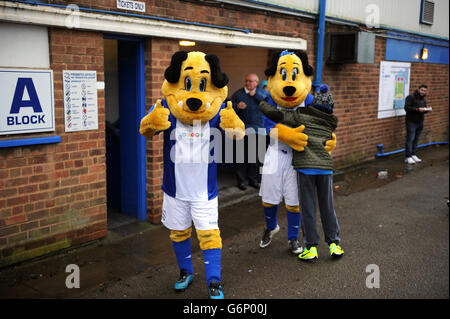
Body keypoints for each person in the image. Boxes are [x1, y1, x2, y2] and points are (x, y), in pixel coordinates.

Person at [258, 84, 344, 260]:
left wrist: (262, 102)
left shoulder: (302, 116)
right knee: (327, 206)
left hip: (304, 166)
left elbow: (278, 115)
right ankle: (334, 244)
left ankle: (308, 245)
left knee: (306, 206)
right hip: (324, 168)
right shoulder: (331, 121)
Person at [231, 73, 267, 190]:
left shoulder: (262, 93)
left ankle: (253, 180)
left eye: (251, 81)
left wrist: (255, 95)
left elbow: (267, 106)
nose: (248, 83)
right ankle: (241, 181)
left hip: (257, 129)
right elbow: (229, 106)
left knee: (254, 157)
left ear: (257, 82)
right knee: (240, 157)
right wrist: (237, 106)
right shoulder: (238, 93)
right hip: (242, 129)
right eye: (247, 81)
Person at [404, 84, 430, 164]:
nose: (423, 92)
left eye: (425, 90)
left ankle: (413, 154)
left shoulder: (423, 99)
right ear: (418, 89)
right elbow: (406, 108)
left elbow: (423, 109)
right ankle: (408, 157)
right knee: (410, 139)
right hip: (411, 121)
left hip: (420, 122)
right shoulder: (411, 97)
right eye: (422, 90)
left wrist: (427, 109)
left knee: (416, 139)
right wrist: (417, 109)